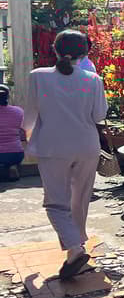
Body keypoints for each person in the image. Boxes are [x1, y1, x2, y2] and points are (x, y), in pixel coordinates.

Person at [23, 30, 108, 280]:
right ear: (85, 53)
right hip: (86, 147)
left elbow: (30, 114)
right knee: (79, 200)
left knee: (55, 203)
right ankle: (77, 248)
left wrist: (26, 138)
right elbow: (99, 116)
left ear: (55, 49)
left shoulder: (38, 77)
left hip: (53, 147)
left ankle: (74, 248)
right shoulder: (93, 80)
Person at [0, 84, 25, 181]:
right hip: (15, 153)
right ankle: (12, 166)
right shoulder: (18, 111)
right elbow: (24, 131)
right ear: (8, 96)